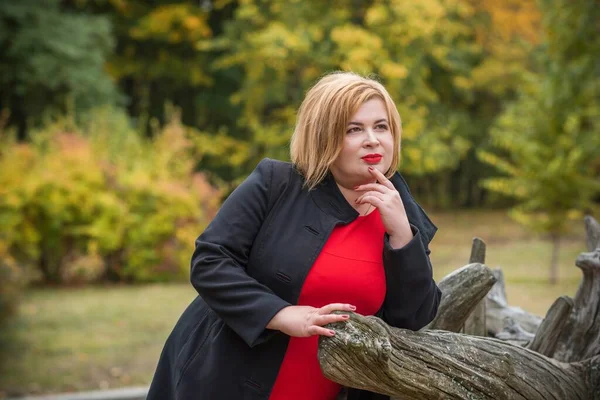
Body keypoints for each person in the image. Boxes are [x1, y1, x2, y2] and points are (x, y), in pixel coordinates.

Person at [147, 71, 441, 400]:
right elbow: (210, 261)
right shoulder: (276, 184)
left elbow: (414, 317)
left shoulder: (400, 210)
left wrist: (402, 235)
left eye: (381, 126)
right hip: (227, 380)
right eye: (353, 129)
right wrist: (280, 314)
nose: (372, 139)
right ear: (323, 137)